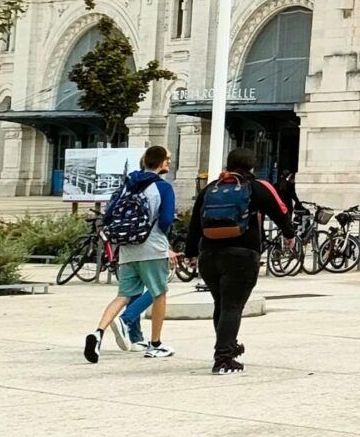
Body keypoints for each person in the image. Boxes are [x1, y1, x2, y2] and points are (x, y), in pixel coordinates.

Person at [182, 147, 296, 375]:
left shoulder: (210, 188)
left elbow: (195, 223)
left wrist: (191, 253)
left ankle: (228, 347)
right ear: (252, 166)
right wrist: (289, 235)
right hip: (242, 254)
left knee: (221, 304)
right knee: (233, 306)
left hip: (209, 255)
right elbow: (281, 212)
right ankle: (223, 358)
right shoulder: (257, 187)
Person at [84, 146, 178, 362]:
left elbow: (109, 215)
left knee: (123, 294)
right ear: (161, 163)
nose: (169, 163)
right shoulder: (163, 188)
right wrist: (165, 242)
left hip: (126, 248)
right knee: (159, 293)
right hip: (152, 247)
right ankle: (155, 343)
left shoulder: (128, 185)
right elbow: (165, 220)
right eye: (168, 159)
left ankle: (98, 333)